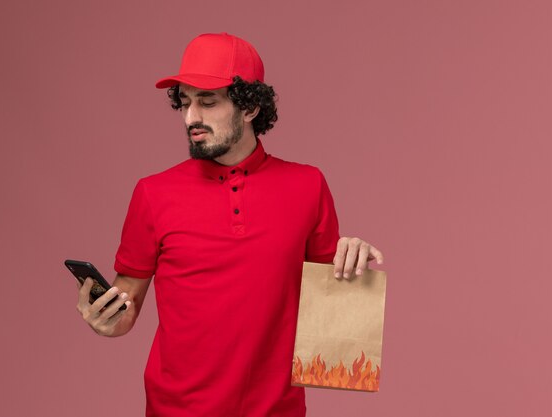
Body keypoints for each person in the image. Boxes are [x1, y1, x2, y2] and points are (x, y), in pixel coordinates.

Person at [76, 32, 384, 417]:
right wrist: (105, 320)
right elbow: (127, 308)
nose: (191, 118)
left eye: (207, 102)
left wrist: (353, 263)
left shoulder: (308, 185)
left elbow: (335, 329)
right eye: (185, 103)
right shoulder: (153, 194)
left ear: (250, 106)